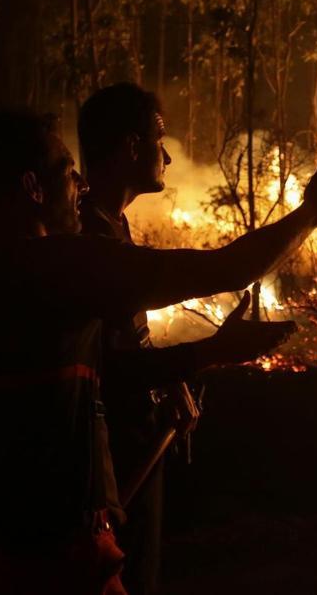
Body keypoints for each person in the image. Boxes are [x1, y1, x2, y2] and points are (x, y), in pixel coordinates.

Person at [0, 108, 317, 594]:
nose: (79, 183)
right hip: (64, 557)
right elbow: (226, 270)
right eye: (64, 169)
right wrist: (312, 214)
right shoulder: (61, 265)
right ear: (33, 188)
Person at [74, 83, 208, 594]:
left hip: (134, 436)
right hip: (109, 455)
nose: (168, 155)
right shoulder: (88, 234)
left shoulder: (112, 225)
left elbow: (126, 329)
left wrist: (171, 382)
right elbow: (106, 357)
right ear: (131, 147)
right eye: (159, 138)